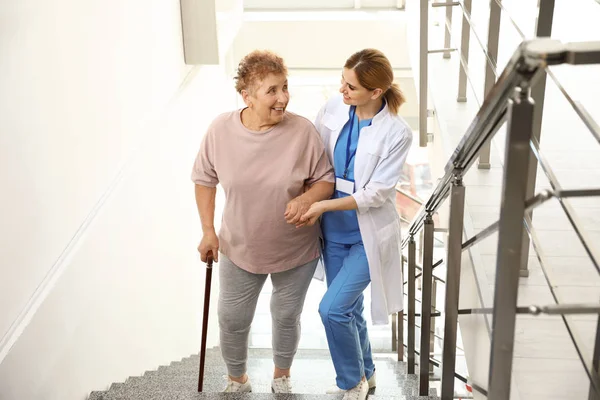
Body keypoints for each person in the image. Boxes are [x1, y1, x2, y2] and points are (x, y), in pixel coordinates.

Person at [191, 50, 335, 394]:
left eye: (285, 87)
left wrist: (306, 198)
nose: (283, 98)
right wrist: (208, 231)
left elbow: (325, 179)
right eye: (272, 90)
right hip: (239, 246)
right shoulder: (220, 130)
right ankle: (237, 378)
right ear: (247, 96)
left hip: (295, 248)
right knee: (232, 319)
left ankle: (281, 375)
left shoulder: (302, 131)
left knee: (286, 316)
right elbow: (203, 179)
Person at [297, 49, 413, 400]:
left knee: (331, 309)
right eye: (342, 82)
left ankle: (351, 382)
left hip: (367, 235)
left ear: (376, 92)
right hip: (333, 233)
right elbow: (315, 156)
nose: (342, 91)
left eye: (351, 87)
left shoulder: (397, 132)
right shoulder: (333, 108)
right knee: (350, 308)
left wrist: (323, 204)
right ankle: (369, 371)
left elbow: (376, 193)